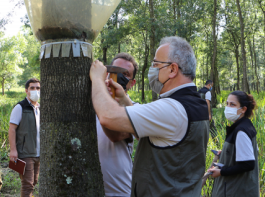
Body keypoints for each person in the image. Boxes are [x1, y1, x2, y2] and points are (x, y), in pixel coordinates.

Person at [90, 36, 210, 196]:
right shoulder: (195, 105)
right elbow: (151, 133)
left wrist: (97, 79)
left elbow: (108, 117)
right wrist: (124, 99)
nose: (152, 70)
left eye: (156, 64)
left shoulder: (172, 108)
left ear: (173, 69)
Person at [97, 53, 138, 197]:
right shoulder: (90, 104)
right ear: (107, 73)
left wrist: (97, 84)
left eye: (125, 74)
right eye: (115, 70)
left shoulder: (135, 109)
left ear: (132, 83)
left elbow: (115, 135)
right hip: (89, 187)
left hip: (120, 190)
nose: (118, 75)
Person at [208, 91, 259, 197]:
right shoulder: (246, 125)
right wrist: (227, 153)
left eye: (233, 104)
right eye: (227, 104)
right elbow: (247, 152)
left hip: (236, 190)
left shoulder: (241, 131)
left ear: (243, 109)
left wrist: (221, 172)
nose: (228, 107)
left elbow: (248, 164)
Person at [8, 78, 40, 197]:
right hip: (25, 153)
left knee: (33, 182)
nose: (35, 90)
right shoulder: (20, 107)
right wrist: (13, 150)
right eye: (32, 88)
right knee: (27, 184)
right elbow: (12, 129)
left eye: (38, 88)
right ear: (26, 90)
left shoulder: (40, 108)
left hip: (38, 153)